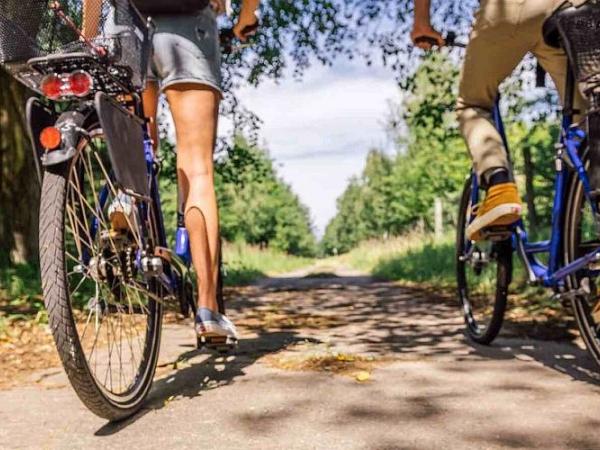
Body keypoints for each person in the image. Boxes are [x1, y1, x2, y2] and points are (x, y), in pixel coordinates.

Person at [83, 0, 260, 342]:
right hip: (188, 25)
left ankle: (125, 201)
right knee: (197, 168)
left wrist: (89, 37)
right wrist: (246, 17)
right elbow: (246, 12)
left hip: (125, 24)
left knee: (135, 142)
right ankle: (208, 309)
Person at [411, 0, 585, 241]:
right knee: (586, 120)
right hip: (575, 6)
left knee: (473, 104)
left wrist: (422, 23)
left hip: (510, 9)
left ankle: (500, 186)